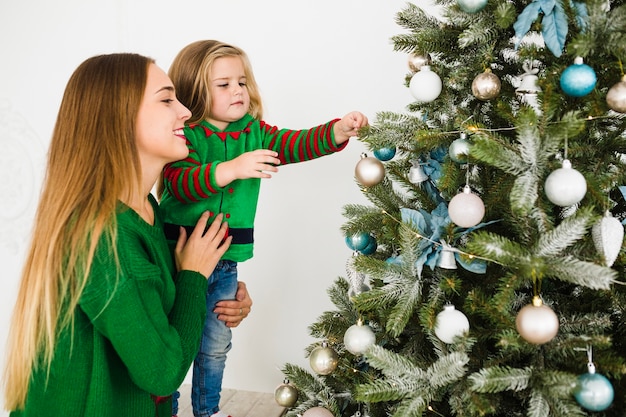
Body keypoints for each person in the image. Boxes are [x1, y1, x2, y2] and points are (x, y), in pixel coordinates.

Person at [2, 53, 252, 417]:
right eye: (167, 100)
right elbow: (162, 373)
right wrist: (195, 278)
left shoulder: (148, 211)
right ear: (118, 119)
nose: (185, 111)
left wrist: (215, 291)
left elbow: (159, 308)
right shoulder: (101, 237)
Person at [159, 39, 369, 417]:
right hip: (176, 257)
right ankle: (167, 411)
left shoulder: (254, 132)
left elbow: (294, 144)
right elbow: (178, 182)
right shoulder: (185, 135)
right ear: (194, 91)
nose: (237, 90)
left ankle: (207, 411)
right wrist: (230, 169)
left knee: (215, 344)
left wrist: (336, 131)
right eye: (223, 84)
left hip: (224, 262)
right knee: (176, 343)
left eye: (241, 81)